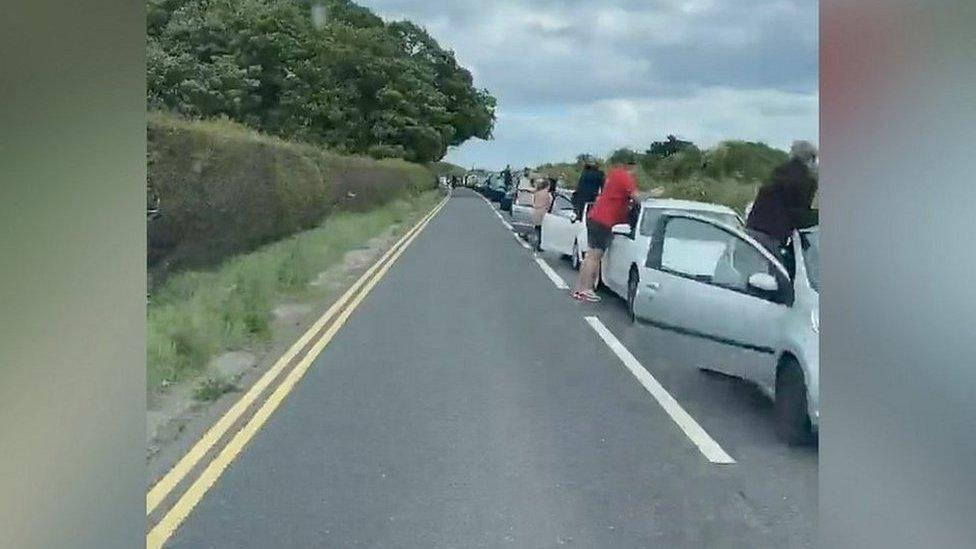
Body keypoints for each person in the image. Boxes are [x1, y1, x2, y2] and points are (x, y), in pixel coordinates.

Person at [572, 160, 639, 302]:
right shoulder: (625, 177)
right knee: (595, 257)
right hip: (604, 221)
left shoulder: (613, 175)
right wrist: (652, 194)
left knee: (589, 256)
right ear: (632, 166)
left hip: (595, 217)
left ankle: (580, 288)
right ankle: (586, 290)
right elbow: (637, 197)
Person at [746, 140, 819, 255]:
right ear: (811, 159)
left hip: (750, 233)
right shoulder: (806, 180)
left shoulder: (778, 172)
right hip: (771, 237)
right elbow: (799, 216)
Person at [532, 178, 553, 252]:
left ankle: (535, 243)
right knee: (542, 230)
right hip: (543, 213)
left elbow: (534, 202)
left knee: (537, 229)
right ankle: (539, 245)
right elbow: (549, 205)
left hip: (536, 211)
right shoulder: (548, 194)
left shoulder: (537, 193)